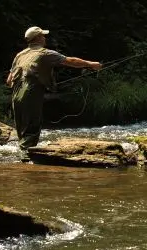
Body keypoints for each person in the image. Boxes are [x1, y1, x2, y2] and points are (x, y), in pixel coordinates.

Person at [6, 26, 101, 159]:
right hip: (30, 92)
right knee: (32, 128)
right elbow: (70, 61)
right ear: (38, 38)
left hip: (15, 95)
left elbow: (9, 80)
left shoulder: (20, 55)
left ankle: (24, 157)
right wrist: (91, 64)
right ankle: (26, 161)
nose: (45, 38)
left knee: (22, 130)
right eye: (43, 36)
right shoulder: (45, 53)